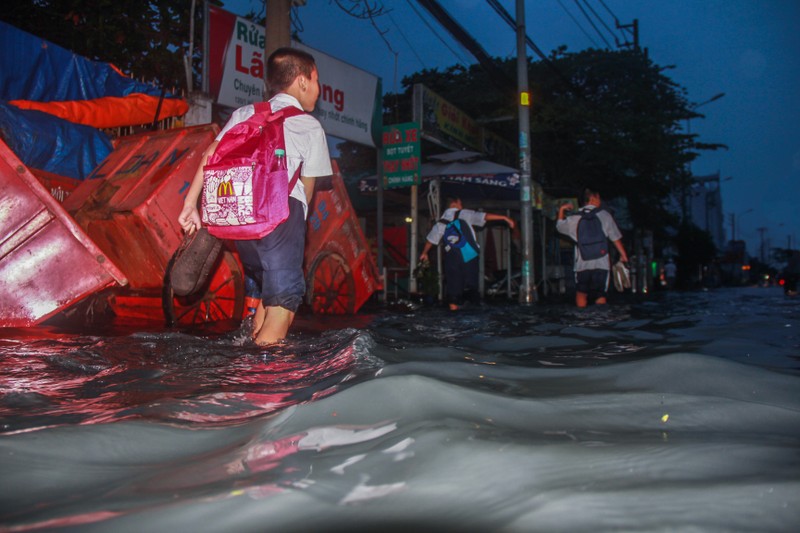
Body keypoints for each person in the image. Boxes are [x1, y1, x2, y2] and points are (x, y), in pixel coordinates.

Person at [179, 47, 332, 345]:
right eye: (316, 80)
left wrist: (190, 204)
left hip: (243, 224)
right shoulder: (310, 126)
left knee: (267, 297)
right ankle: (262, 383)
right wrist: (296, 228)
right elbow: (307, 190)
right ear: (302, 81)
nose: (318, 89)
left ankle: (247, 359)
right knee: (284, 306)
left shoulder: (245, 113)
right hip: (281, 217)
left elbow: (211, 155)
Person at [419, 197, 515, 311]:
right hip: (469, 256)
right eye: (460, 202)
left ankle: (453, 311)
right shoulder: (464, 213)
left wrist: (424, 253)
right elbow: (484, 216)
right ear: (454, 203)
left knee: (453, 287)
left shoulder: (441, 222)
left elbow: (431, 240)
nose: (462, 204)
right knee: (471, 286)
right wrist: (504, 218)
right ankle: (474, 314)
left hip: (452, 258)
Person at [556, 188, 628, 308]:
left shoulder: (575, 218)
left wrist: (562, 210)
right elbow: (615, 238)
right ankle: (599, 320)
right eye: (598, 198)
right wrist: (624, 255)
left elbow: (559, 227)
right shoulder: (605, 215)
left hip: (581, 264)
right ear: (593, 198)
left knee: (581, 292)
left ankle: (581, 319)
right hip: (602, 263)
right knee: (601, 294)